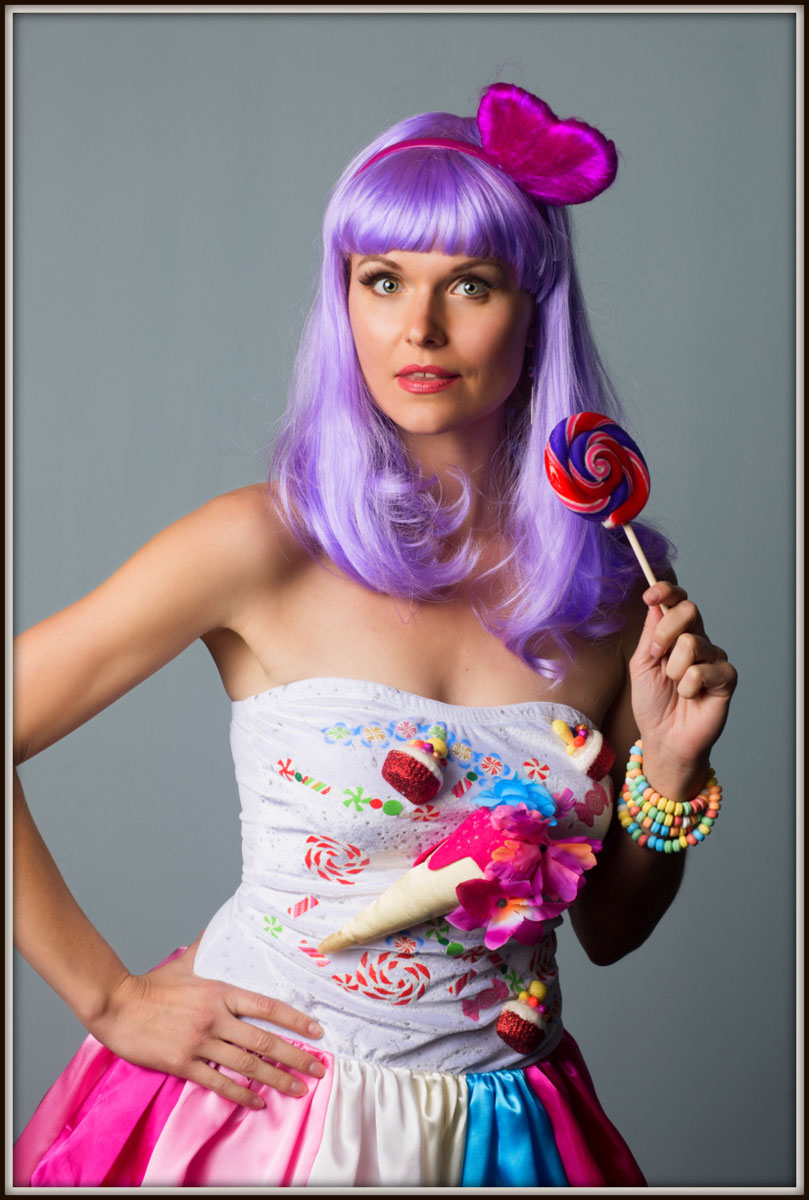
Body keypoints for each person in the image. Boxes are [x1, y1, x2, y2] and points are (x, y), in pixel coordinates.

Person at [13, 82, 737, 1188]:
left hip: (505, 1135)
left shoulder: (613, 590)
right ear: (343, 297)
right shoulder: (260, 542)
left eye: (470, 284)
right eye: (382, 280)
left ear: (533, 305)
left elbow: (610, 930)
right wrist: (108, 997)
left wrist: (672, 774)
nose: (419, 328)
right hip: (261, 1120)